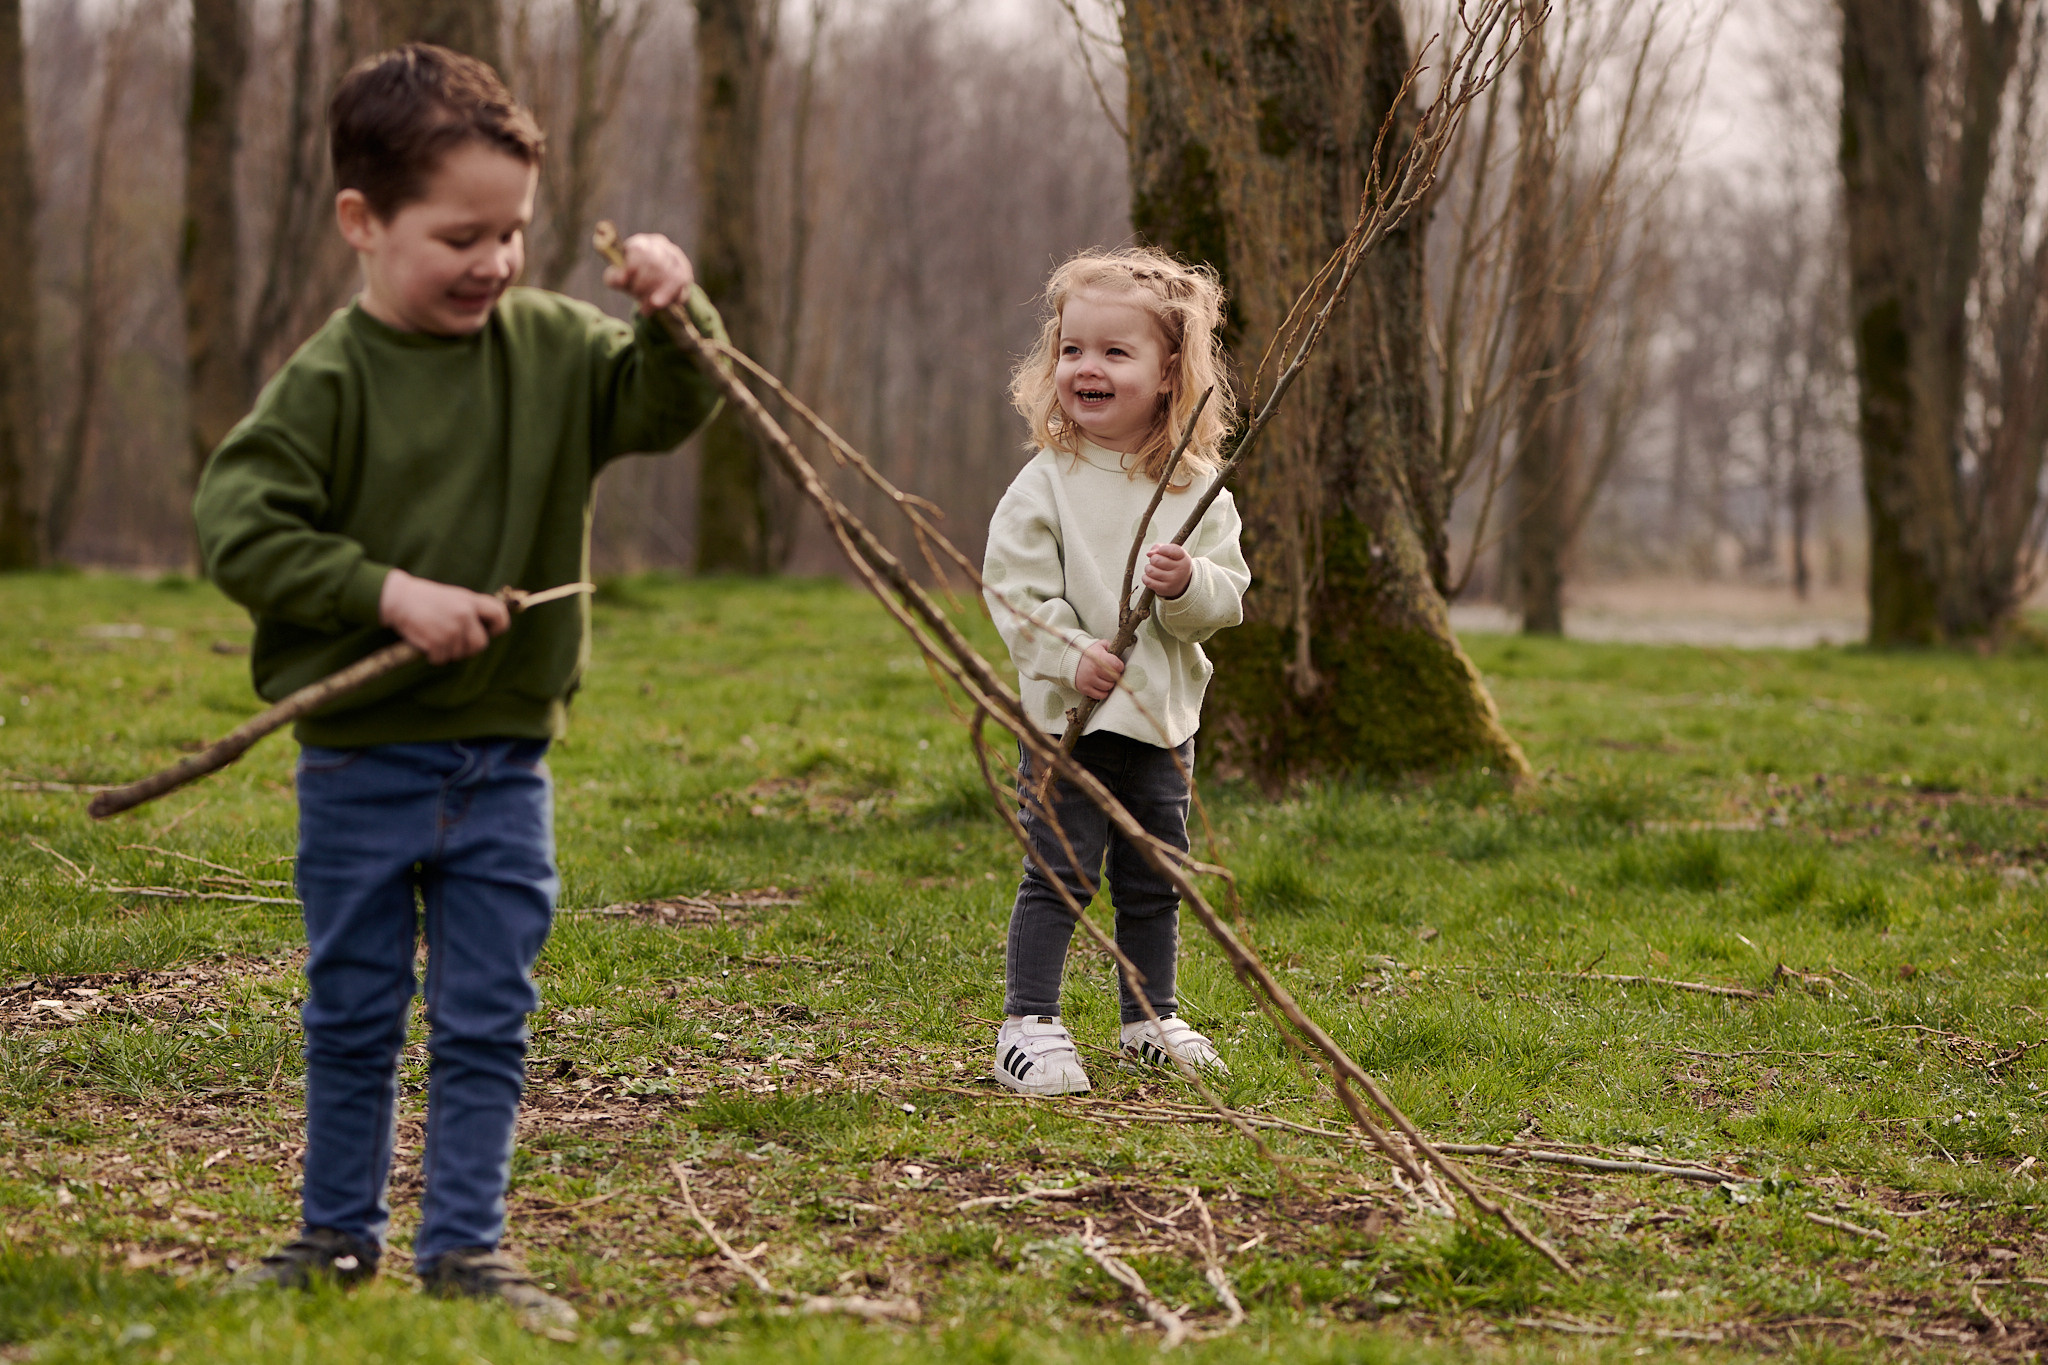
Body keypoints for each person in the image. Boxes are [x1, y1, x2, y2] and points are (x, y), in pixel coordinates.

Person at [192, 43, 726, 1329]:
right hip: (361, 763)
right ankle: (334, 1235)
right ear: (362, 225)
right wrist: (386, 591)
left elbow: (667, 407)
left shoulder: (547, 346)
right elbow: (235, 523)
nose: (493, 261)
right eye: (460, 235)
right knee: (354, 1014)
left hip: (504, 765)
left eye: (515, 233)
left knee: (487, 1017)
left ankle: (467, 1247)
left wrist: (675, 309)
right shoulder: (330, 380)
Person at [981, 248, 1250, 1097]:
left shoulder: (1198, 487)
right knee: (1059, 868)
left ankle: (1148, 1016)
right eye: (1071, 349)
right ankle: (1029, 1021)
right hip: (1074, 722)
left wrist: (1188, 586)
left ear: (1171, 375)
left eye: (1113, 352)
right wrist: (1071, 654)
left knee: (1153, 874)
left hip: (1164, 720)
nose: (1085, 368)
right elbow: (1014, 593)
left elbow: (1227, 598)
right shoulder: (1044, 485)